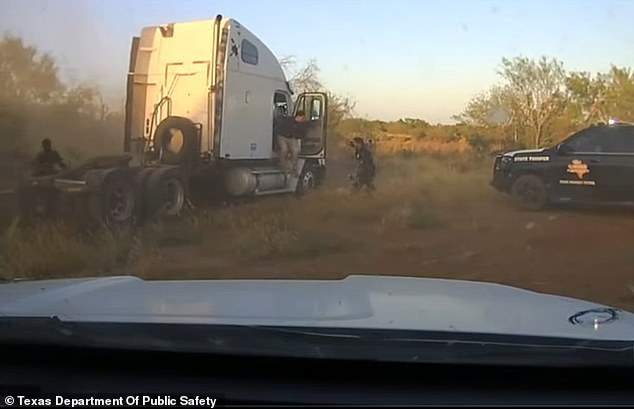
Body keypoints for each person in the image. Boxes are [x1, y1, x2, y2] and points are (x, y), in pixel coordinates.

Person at [274, 110, 306, 176]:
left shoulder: (301, 125)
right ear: (299, 116)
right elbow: (279, 129)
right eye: (302, 118)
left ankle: (292, 167)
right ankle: (282, 164)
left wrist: (298, 141)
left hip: (292, 138)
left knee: (295, 151)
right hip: (282, 137)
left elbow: (301, 135)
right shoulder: (288, 120)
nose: (303, 119)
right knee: (284, 150)